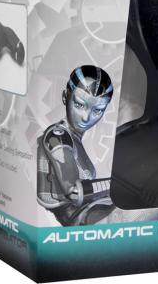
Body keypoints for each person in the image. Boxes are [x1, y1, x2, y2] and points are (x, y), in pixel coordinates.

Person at [37, 65, 114, 226]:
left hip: (87, 213)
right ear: (65, 97)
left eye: (97, 110)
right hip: (76, 218)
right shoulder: (57, 136)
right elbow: (74, 191)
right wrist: (117, 185)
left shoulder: (73, 138)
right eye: (79, 105)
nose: (86, 117)